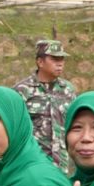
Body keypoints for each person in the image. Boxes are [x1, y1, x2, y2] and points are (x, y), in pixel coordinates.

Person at [18, 39, 75, 172]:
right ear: (40, 62)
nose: (60, 63)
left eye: (62, 59)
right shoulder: (22, 91)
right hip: (32, 164)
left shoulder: (68, 89)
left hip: (62, 165)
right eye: (54, 59)